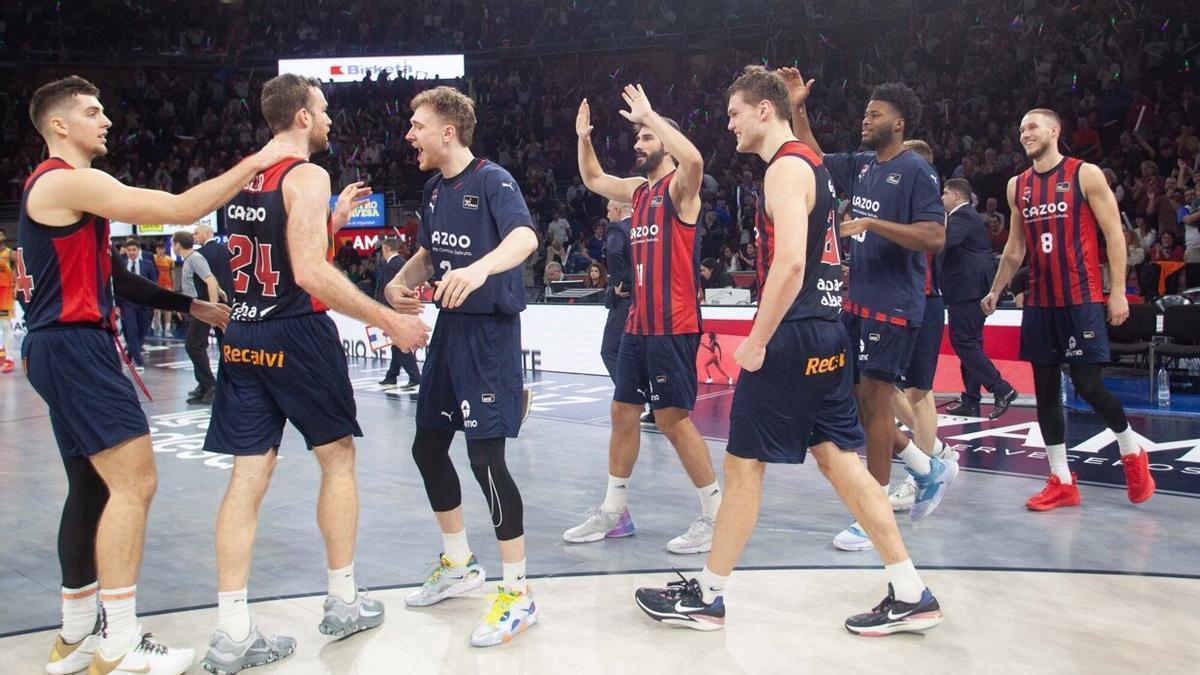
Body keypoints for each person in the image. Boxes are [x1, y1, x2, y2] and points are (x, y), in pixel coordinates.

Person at [635, 66, 943, 637]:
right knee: (840, 461)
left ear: (762, 111)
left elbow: (792, 262)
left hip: (792, 334)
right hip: (828, 333)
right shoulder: (815, 167)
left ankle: (709, 595)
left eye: (733, 114)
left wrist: (756, 341)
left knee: (743, 465)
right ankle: (911, 590)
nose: (728, 126)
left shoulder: (784, 169)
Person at [20, 74, 284, 675]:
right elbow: (181, 209)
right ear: (59, 125)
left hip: (56, 347)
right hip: (76, 348)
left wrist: (185, 305)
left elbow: (113, 277)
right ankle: (120, 646)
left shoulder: (59, 194)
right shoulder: (71, 181)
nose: (106, 120)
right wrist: (260, 159)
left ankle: (77, 635)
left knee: (90, 487)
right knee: (134, 486)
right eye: (93, 111)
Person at [198, 74, 430, 674]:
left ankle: (231, 631)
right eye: (323, 109)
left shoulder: (244, 179)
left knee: (248, 478)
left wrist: (331, 224)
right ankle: (345, 598)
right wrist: (389, 322)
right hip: (296, 334)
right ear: (301, 116)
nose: (328, 119)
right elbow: (306, 273)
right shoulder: (306, 174)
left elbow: (271, 256)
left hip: (244, 334)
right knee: (338, 460)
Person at [385, 85, 539, 647]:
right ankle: (459, 564)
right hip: (449, 332)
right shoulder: (431, 188)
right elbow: (429, 252)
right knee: (427, 447)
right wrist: (399, 282)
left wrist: (479, 270)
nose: (410, 135)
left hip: (490, 336)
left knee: (485, 461)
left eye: (417, 125)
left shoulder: (493, 180)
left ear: (447, 132)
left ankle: (518, 593)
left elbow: (524, 236)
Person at [785, 68, 957, 551]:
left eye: (875, 114)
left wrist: (872, 223)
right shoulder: (862, 164)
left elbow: (935, 236)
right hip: (857, 300)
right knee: (862, 408)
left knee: (876, 407)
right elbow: (815, 156)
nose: (866, 119)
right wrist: (798, 106)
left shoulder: (918, 171)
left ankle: (874, 510)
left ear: (898, 123)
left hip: (894, 305)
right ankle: (928, 468)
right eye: (865, 112)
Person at [565, 85, 722, 555]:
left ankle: (716, 515)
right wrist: (583, 138)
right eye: (638, 138)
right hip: (637, 323)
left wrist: (653, 115)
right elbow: (593, 178)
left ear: (666, 143)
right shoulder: (637, 193)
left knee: (674, 420)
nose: (638, 144)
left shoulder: (681, 189)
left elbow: (694, 162)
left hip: (674, 324)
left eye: (647, 138)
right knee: (622, 412)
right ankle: (615, 511)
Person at [982, 108, 1154, 511]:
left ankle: (1132, 452)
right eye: (1021, 128)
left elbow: (1114, 232)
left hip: (1080, 297)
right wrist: (995, 291)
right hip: (1040, 301)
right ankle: (1061, 479)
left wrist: (1117, 292)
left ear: (1055, 130)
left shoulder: (1085, 174)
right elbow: (1015, 248)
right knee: (1044, 393)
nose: (1025, 134)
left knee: (1088, 386)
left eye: (1033, 126)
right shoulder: (1017, 186)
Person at [886, 140, 961, 513]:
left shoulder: (929, 206)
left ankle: (921, 475)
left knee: (919, 390)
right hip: (893, 300)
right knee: (883, 388)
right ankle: (935, 451)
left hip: (924, 300)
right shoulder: (898, 198)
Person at [939, 178, 1017, 419]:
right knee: (970, 342)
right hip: (971, 288)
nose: (941, 198)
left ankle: (1001, 388)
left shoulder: (961, 216)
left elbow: (943, 242)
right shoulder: (968, 216)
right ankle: (971, 400)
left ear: (956, 196)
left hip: (968, 288)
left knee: (964, 341)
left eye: (944, 193)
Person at [172, 230, 222, 404]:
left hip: (202, 307)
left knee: (192, 346)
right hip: (196, 308)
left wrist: (213, 306)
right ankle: (204, 383)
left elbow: (210, 280)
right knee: (196, 345)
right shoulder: (188, 260)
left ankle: (210, 385)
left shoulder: (195, 258)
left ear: (177, 245)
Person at [375, 236, 421, 389]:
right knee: (395, 345)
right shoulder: (401, 263)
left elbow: (389, 292)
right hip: (399, 309)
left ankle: (415, 376)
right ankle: (391, 376)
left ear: (386, 249)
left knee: (399, 344)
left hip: (395, 310)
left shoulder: (392, 265)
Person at [601, 199, 632, 383]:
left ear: (618, 210)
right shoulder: (642, 228)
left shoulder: (617, 228)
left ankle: (628, 395)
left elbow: (613, 252)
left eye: (609, 210)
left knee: (610, 350)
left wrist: (617, 282)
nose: (607, 215)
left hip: (625, 297)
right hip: (645, 297)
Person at [116, 238, 156, 371]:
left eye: (134, 250)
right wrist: (117, 305)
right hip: (127, 303)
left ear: (138, 250)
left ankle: (130, 353)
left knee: (143, 330)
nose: (132, 252)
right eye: (129, 250)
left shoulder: (148, 264)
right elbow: (116, 285)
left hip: (144, 303)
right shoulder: (121, 264)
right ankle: (138, 361)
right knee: (131, 330)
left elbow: (154, 284)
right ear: (126, 251)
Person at [152, 241, 175, 336]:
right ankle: (158, 327)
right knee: (157, 308)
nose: (161, 250)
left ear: (165, 249)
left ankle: (167, 329)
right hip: (156, 285)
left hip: (167, 285)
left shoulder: (169, 260)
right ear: (156, 249)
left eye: (162, 249)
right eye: (159, 249)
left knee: (168, 308)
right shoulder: (153, 258)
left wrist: (173, 286)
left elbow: (172, 273)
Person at [0, 229, 15, 373]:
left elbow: (22, 266)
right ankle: (2, 353)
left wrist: (17, 284)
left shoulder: (10, 254)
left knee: (5, 324)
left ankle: (9, 358)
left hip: (5, 292)